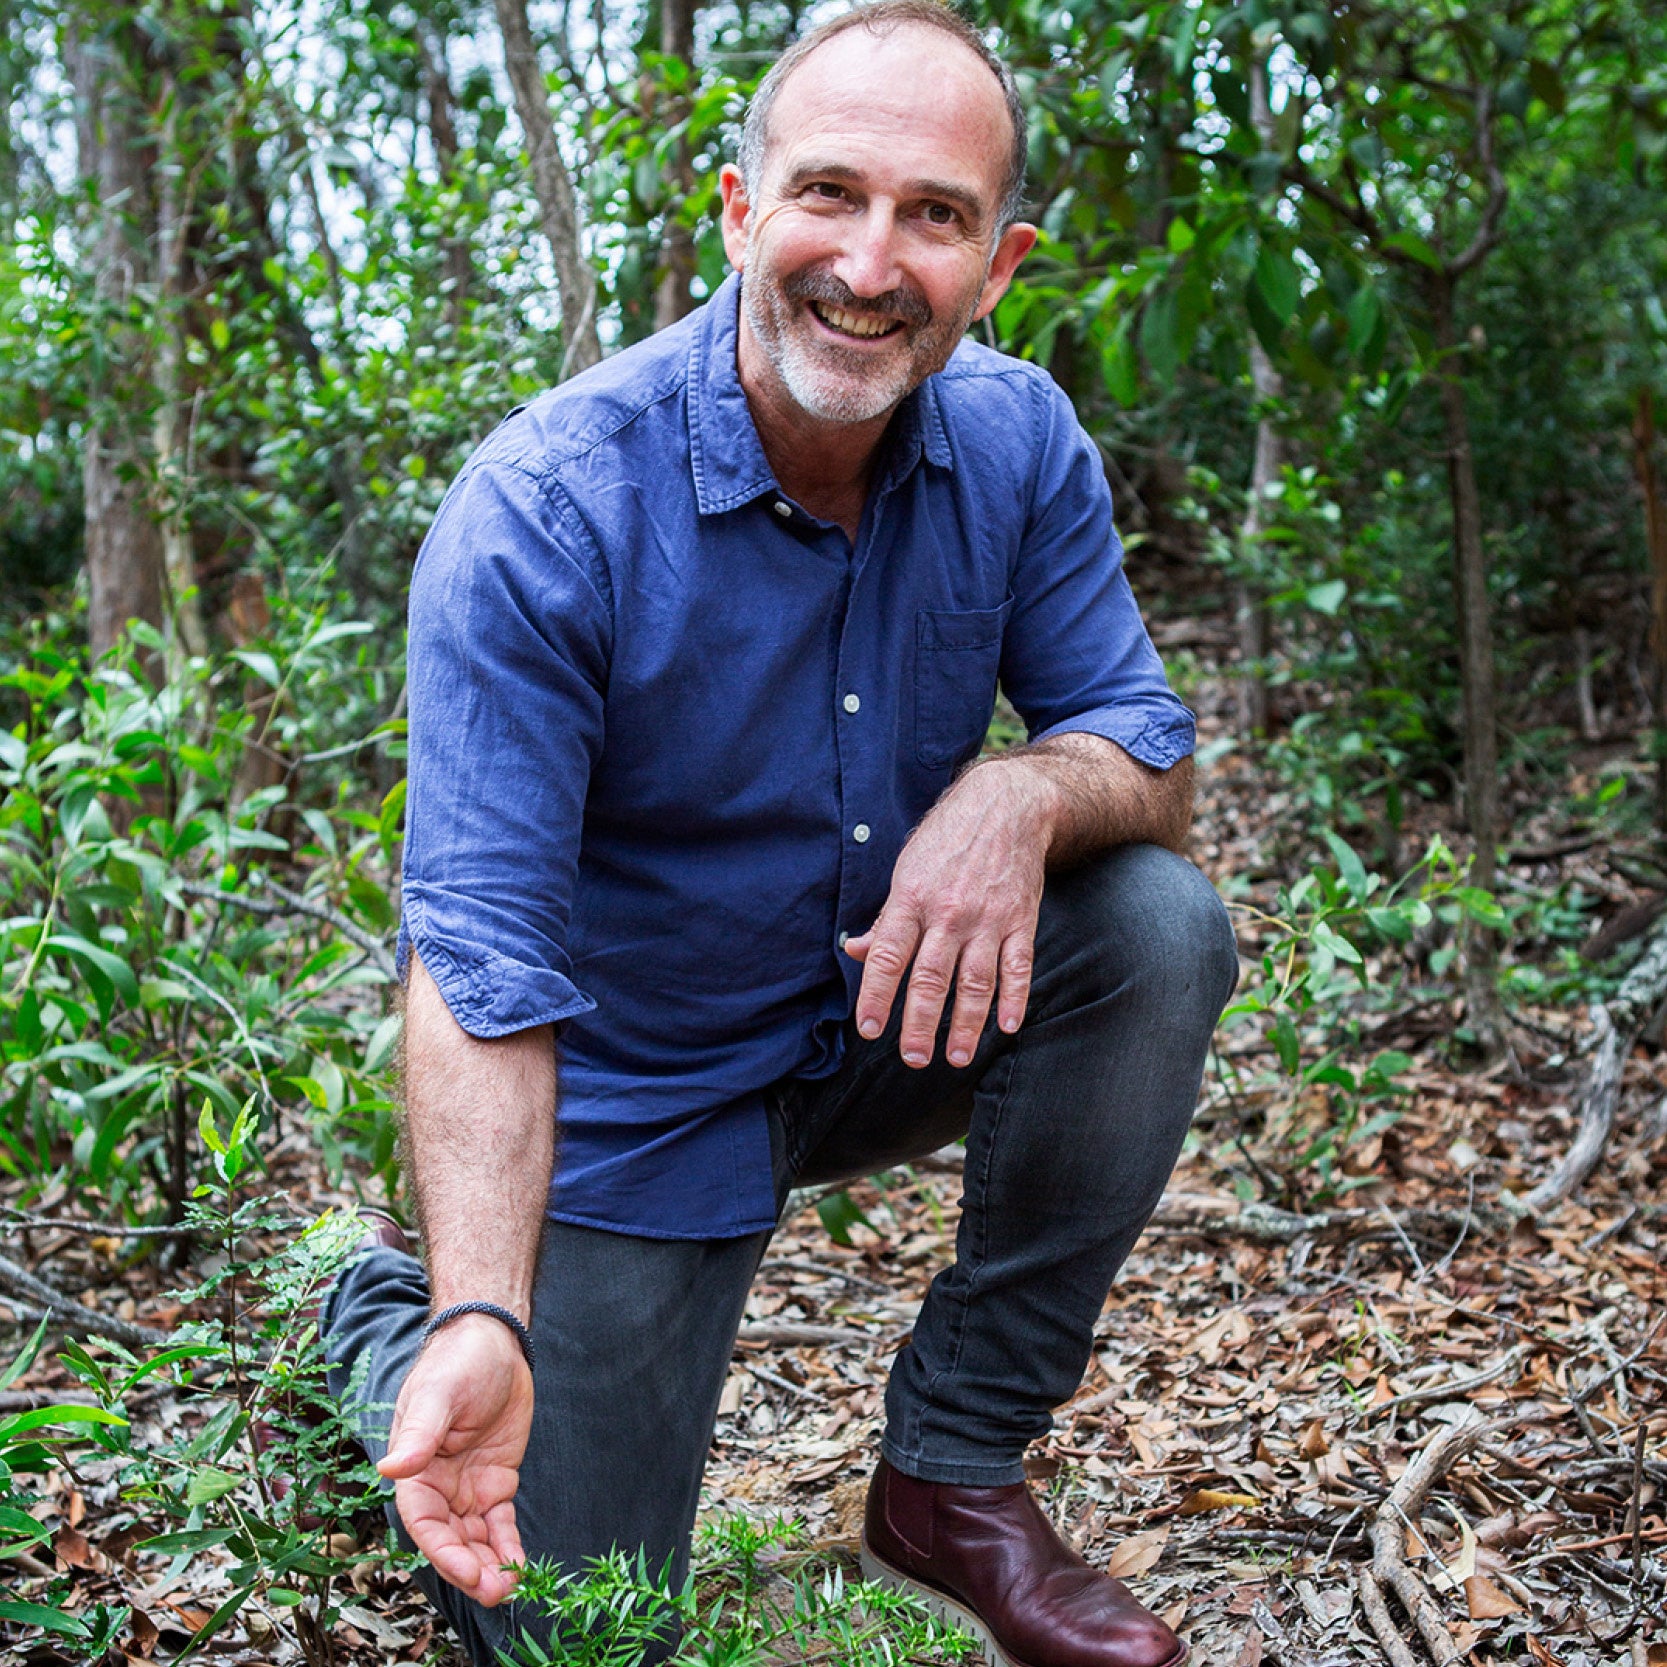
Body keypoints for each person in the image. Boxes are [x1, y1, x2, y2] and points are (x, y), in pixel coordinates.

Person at [323, 5, 1238, 1665]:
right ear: (739, 213)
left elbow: (1151, 754)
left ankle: (950, 1473)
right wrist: (481, 1305)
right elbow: (477, 963)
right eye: (829, 194)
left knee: (1157, 924)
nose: (872, 263)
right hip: (631, 1097)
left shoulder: (1017, 442)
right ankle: (384, 1312)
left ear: (999, 263)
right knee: (574, 1637)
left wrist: (1020, 792)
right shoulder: (547, 511)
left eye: (936, 217)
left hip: (869, 1014)